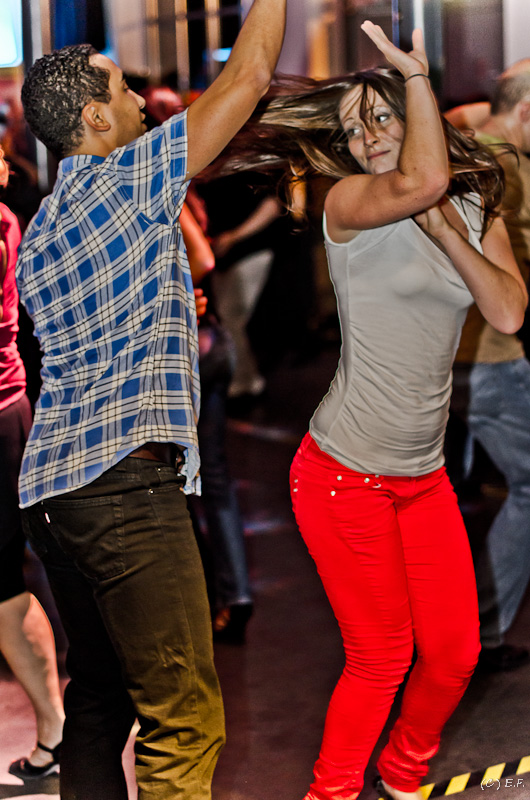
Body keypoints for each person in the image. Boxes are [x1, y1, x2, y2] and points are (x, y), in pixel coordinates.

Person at [208, 21, 527, 800]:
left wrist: (449, 231)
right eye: (354, 129)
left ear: (415, 122)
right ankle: (332, 793)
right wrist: (415, 79)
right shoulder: (348, 203)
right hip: (342, 477)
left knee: (453, 655)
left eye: (381, 117)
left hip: (422, 478)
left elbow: (509, 311)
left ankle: (403, 777)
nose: (369, 136)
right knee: (381, 656)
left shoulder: (471, 206)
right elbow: (421, 180)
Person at [15, 1, 286, 797]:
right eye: (125, 89)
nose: (141, 99)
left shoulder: (44, 224)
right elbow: (249, 77)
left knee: (100, 701)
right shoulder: (128, 179)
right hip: (123, 487)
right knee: (184, 717)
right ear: (95, 117)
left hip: (54, 493)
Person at [447, 63, 530, 671]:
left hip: (454, 356)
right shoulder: (502, 168)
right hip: (491, 357)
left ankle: (459, 635)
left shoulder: (467, 153)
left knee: (442, 495)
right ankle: (481, 633)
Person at [0, 145, 65, 780]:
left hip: (1, 415)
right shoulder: (6, 218)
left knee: (5, 583)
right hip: (10, 409)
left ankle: (56, 730)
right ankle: (54, 732)